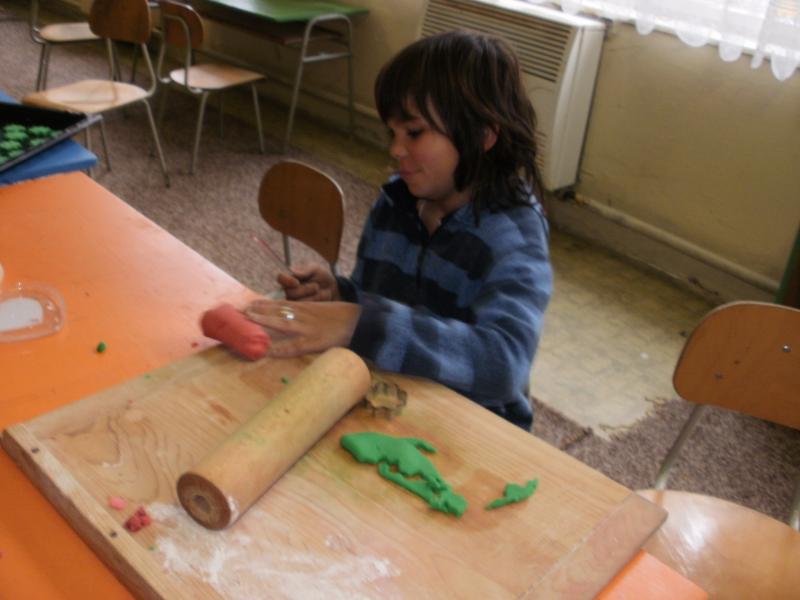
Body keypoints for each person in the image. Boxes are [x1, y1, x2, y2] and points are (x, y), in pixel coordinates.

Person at [246, 30, 553, 430]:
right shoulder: (396, 201)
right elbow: (378, 302)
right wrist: (340, 294)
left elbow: (504, 364)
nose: (395, 149)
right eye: (392, 132)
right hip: (388, 399)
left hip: (475, 427)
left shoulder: (514, 236)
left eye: (414, 132)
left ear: (482, 136)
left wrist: (359, 322)